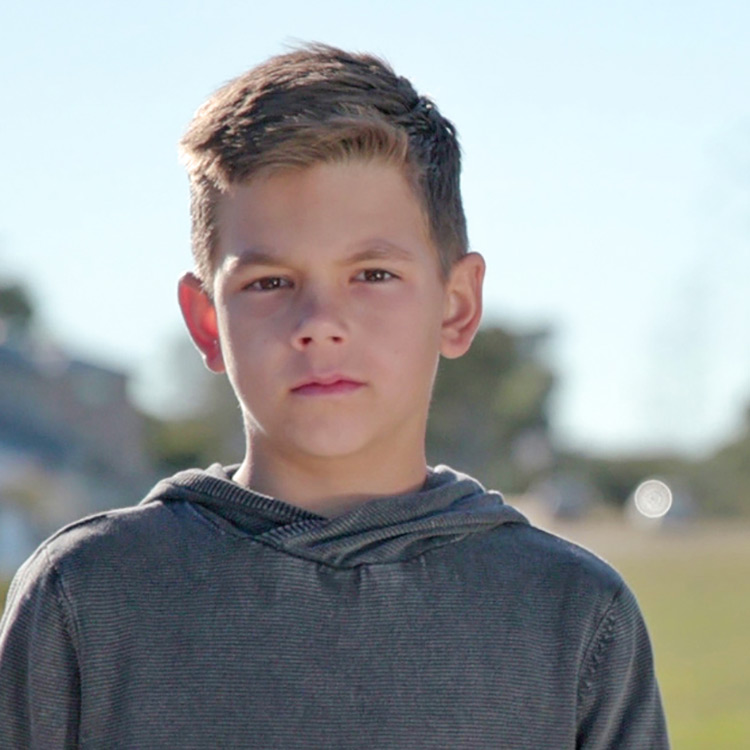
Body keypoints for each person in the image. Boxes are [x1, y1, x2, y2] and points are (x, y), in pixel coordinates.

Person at [0, 44, 669, 748]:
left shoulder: (572, 615)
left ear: (456, 305)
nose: (320, 323)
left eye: (373, 275)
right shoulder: (87, 598)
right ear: (207, 322)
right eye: (269, 282)